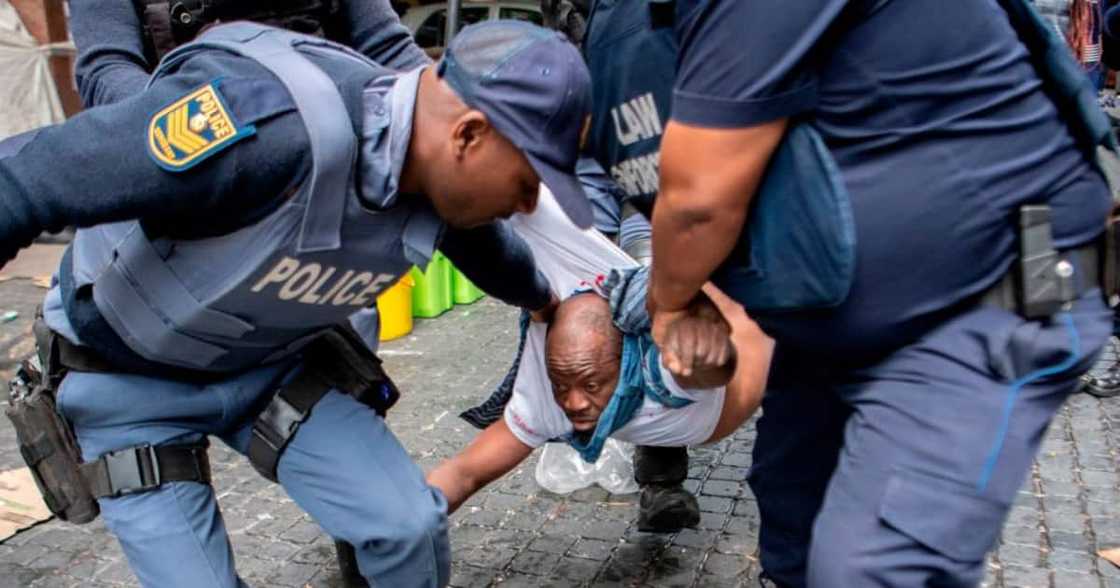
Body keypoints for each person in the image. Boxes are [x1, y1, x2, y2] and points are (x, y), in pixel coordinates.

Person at [0, 20, 590, 588]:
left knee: (406, 526)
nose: (524, 206)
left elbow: (498, 259)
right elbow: (24, 181)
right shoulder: (262, 124)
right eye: (527, 185)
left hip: (266, 370)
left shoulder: (434, 177)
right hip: (129, 387)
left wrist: (552, 309)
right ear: (467, 135)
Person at [638, 1, 1114, 587]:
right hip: (846, 308)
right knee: (793, 511)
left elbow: (698, 202)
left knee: (876, 566)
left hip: (1001, 284)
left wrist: (671, 303)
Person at [428, 191, 771, 513]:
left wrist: (686, 315)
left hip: (739, 335)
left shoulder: (662, 368)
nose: (573, 403)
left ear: (626, 362)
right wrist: (404, 522)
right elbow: (465, 473)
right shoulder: (546, 396)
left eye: (590, 385)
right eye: (561, 385)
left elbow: (712, 367)